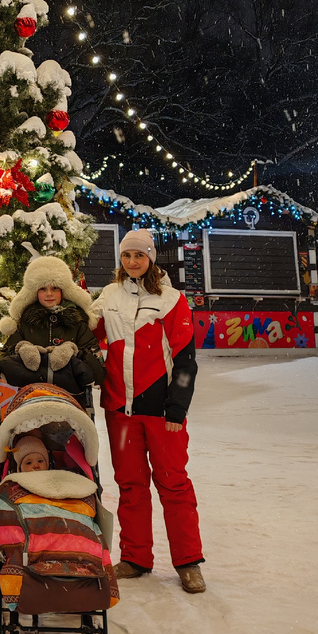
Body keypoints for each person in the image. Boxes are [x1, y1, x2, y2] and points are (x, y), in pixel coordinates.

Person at [90, 229, 205, 594]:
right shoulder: (108, 296)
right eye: (127, 256)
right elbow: (83, 329)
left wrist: (177, 408)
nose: (133, 262)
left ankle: (188, 563)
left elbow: (185, 359)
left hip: (161, 412)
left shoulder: (171, 300)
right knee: (130, 485)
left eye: (139, 255)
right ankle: (136, 558)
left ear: (151, 259)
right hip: (119, 409)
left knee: (173, 484)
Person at [0, 256, 105, 396]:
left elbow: (98, 373)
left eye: (54, 288)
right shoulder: (25, 324)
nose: (49, 293)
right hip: (31, 400)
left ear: (64, 290)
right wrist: (21, 350)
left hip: (72, 402)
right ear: (35, 293)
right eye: (43, 288)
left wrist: (75, 353)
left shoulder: (78, 323)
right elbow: (3, 364)